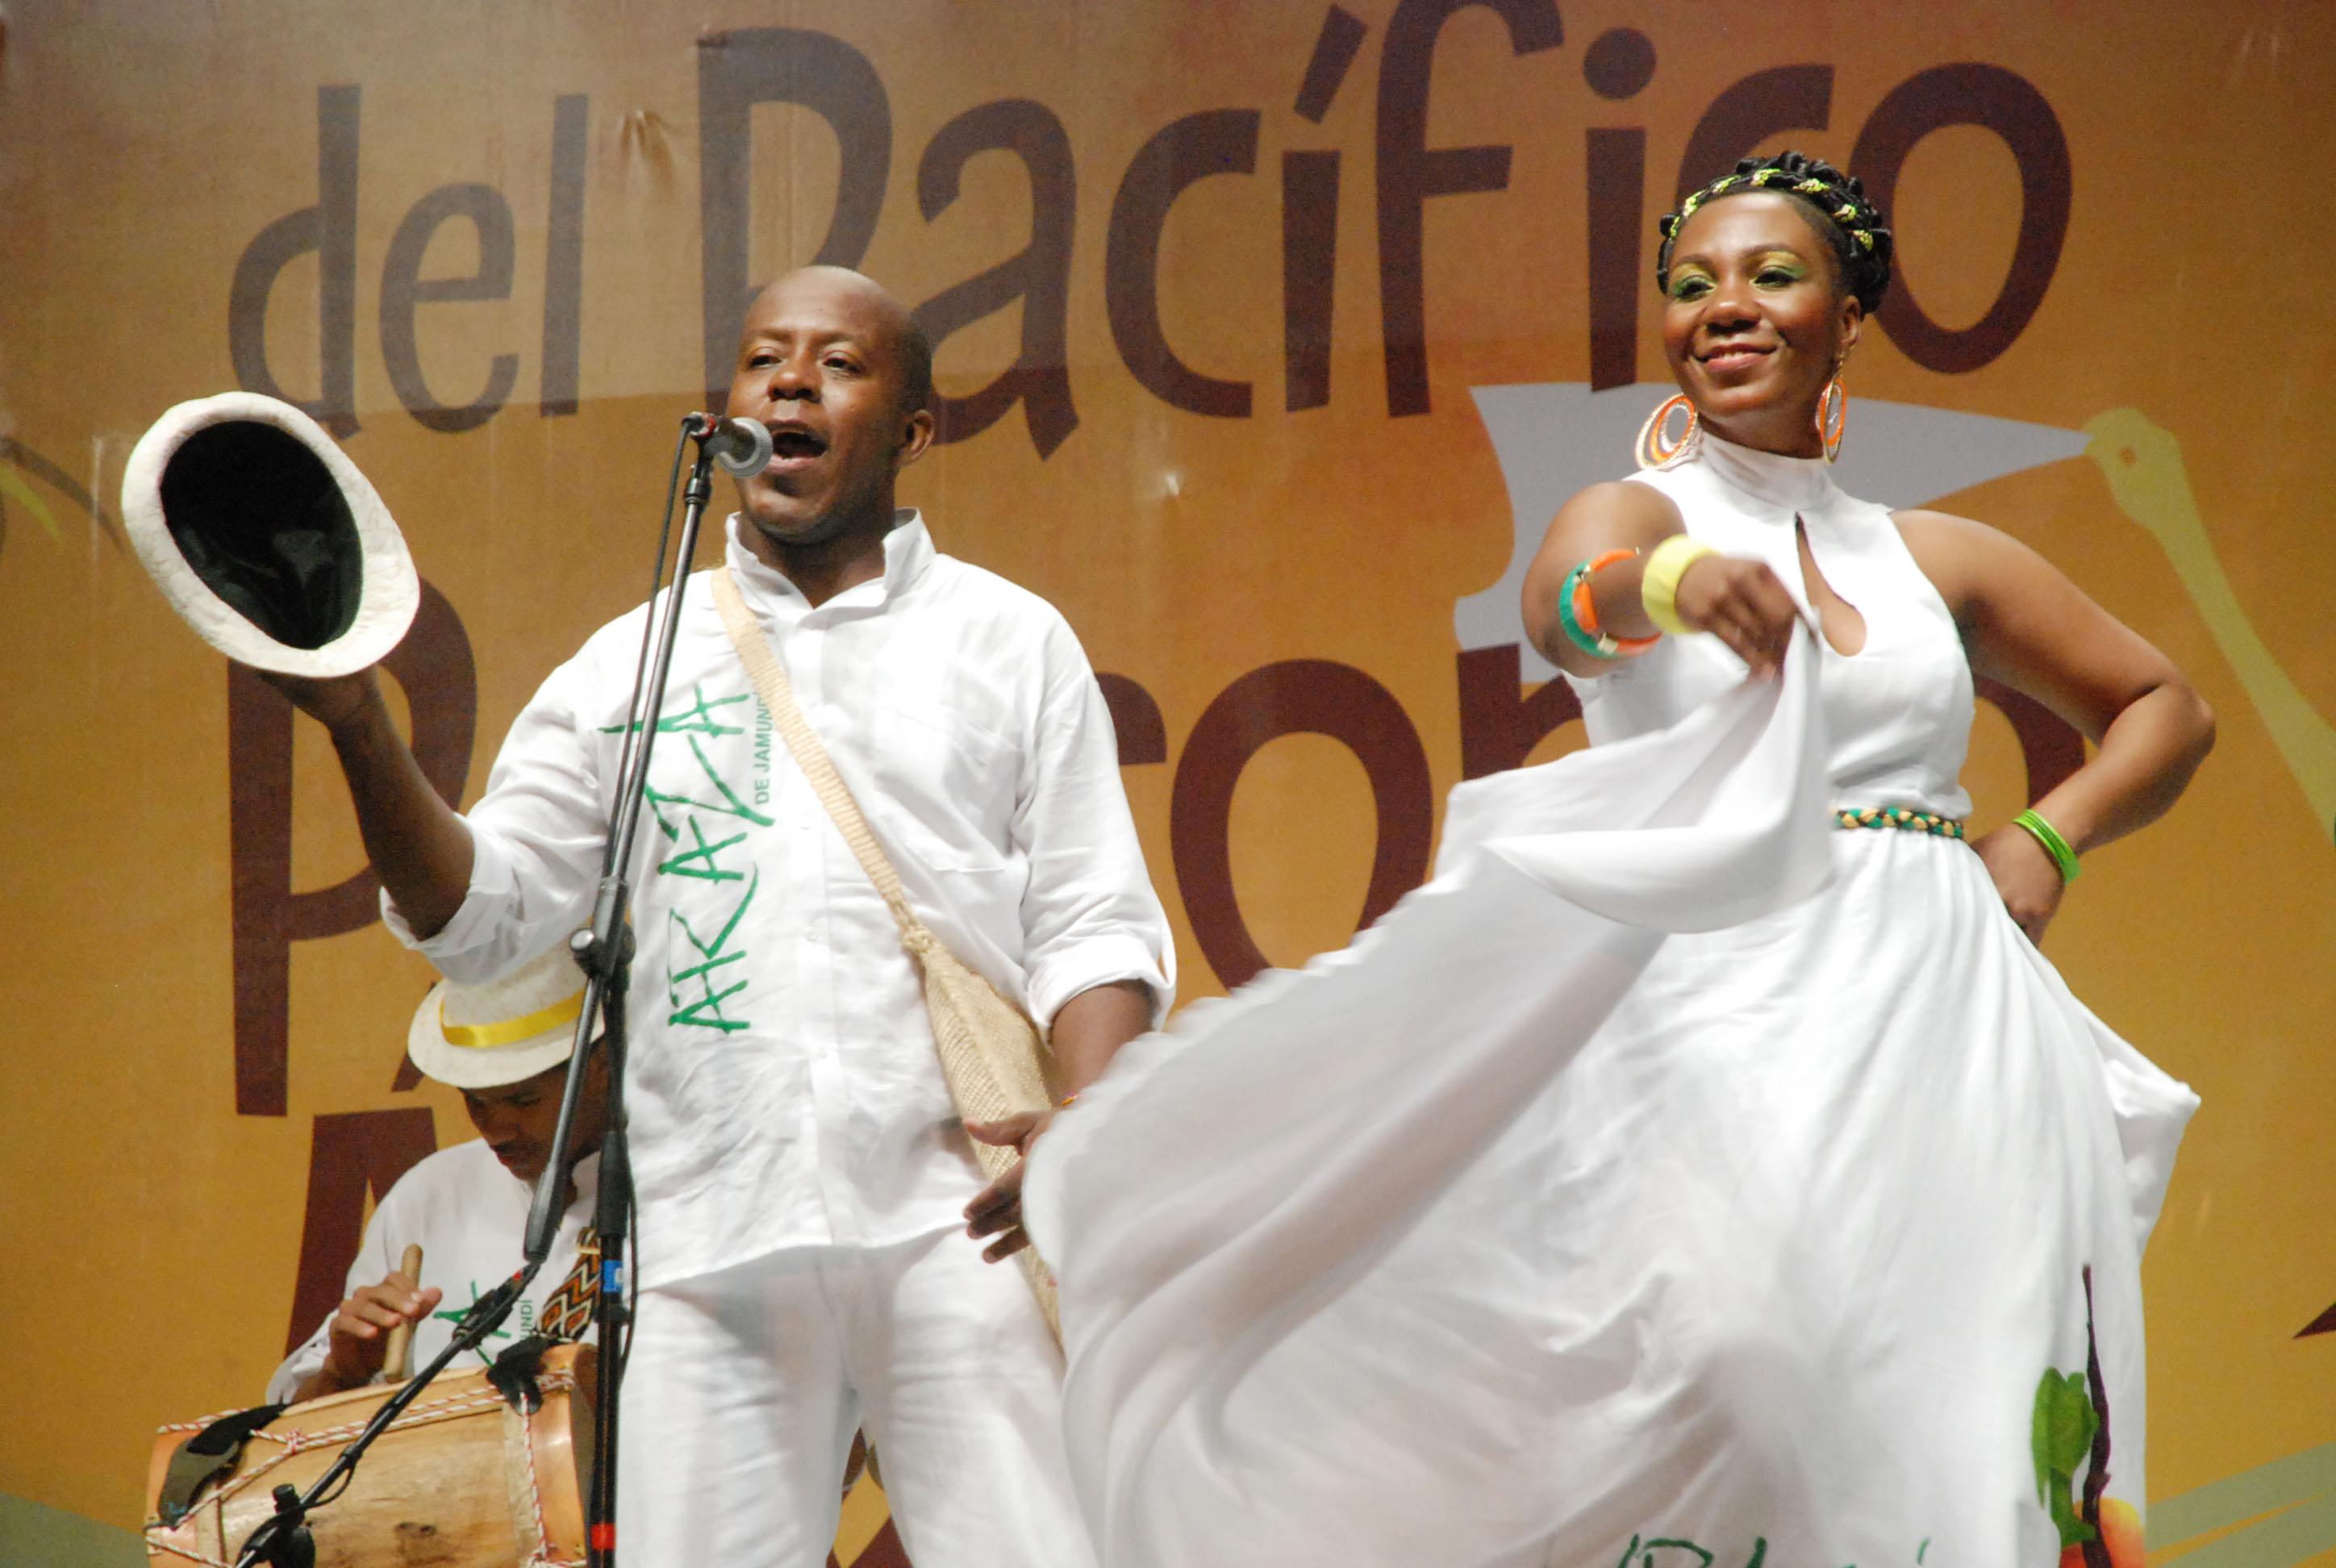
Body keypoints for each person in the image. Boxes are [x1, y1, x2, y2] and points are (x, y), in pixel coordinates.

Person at [1023, 153, 2204, 1568]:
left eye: (1772, 276)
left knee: (1968, 1401)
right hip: (1718, 1013)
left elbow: (2165, 706)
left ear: (1846, 316)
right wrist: (1670, 583)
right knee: (1743, 1362)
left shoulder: (1936, 556)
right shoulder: (1643, 511)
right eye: (1694, 286)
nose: (1727, 306)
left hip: (1945, 1020)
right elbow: (1565, 609)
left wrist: (2047, 834)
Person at [257, 265, 1171, 1567]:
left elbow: (1093, 920)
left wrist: (1087, 1121)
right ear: (726, 412)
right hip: (708, 1239)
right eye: (762, 358)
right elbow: (480, 918)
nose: (790, 381)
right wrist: (358, 720)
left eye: (838, 364)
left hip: (957, 1220)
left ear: (914, 430)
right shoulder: (632, 659)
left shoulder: (1008, 641)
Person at [270, 945, 608, 1405]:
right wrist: (344, 1372)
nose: (496, 1130)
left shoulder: (679, 1194)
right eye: (475, 1101)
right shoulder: (430, 1193)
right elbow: (303, 1424)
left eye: (524, 1101)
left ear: (601, 1068)